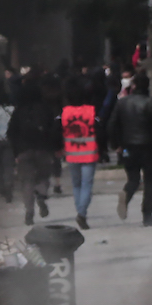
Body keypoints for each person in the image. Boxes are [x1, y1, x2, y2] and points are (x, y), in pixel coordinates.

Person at [107, 71, 152, 227]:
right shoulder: (150, 103)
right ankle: (147, 215)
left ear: (134, 86)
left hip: (127, 147)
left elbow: (111, 125)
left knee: (133, 178)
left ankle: (127, 192)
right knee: (150, 181)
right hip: (147, 145)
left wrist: (116, 144)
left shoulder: (122, 103)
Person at [8, 77, 60, 226]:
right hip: (43, 149)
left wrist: (16, 153)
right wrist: (54, 147)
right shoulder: (46, 109)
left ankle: (29, 211)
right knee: (44, 176)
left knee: (27, 182)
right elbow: (54, 130)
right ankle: (42, 194)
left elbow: (11, 133)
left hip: (24, 151)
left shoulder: (18, 112)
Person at [61, 82, 98, 230]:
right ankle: (82, 213)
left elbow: (58, 131)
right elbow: (99, 130)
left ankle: (80, 211)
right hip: (89, 154)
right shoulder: (91, 111)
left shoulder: (64, 112)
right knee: (87, 184)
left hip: (72, 154)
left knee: (76, 185)